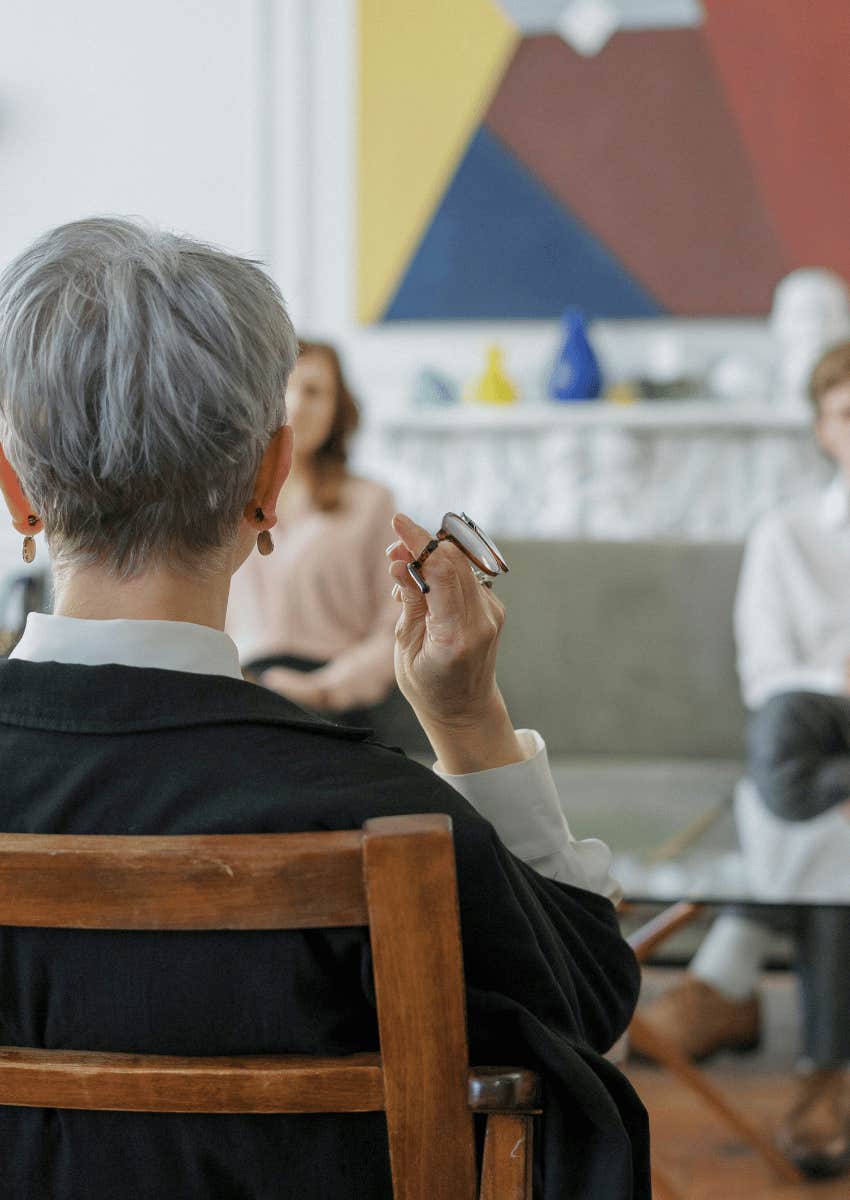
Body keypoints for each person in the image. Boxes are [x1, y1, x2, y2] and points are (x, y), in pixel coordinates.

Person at [0, 218, 649, 1200]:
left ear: (15, 492)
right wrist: (468, 723)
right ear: (271, 479)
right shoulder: (377, 812)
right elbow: (586, 1000)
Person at [635, 340, 850, 1178]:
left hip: (799, 782)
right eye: (845, 413)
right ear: (822, 430)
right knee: (794, 740)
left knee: (800, 807)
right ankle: (824, 1073)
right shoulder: (787, 535)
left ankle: (727, 985)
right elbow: (767, 679)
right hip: (814, 735)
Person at [228, 340, 423, 747]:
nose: (297, 404)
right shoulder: (226, 499)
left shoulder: (372, 502)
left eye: (315, 391)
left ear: (338, 409)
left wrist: (325, 689)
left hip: (333, 700)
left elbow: (396, 628)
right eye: (285, 387)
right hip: (240, 693)